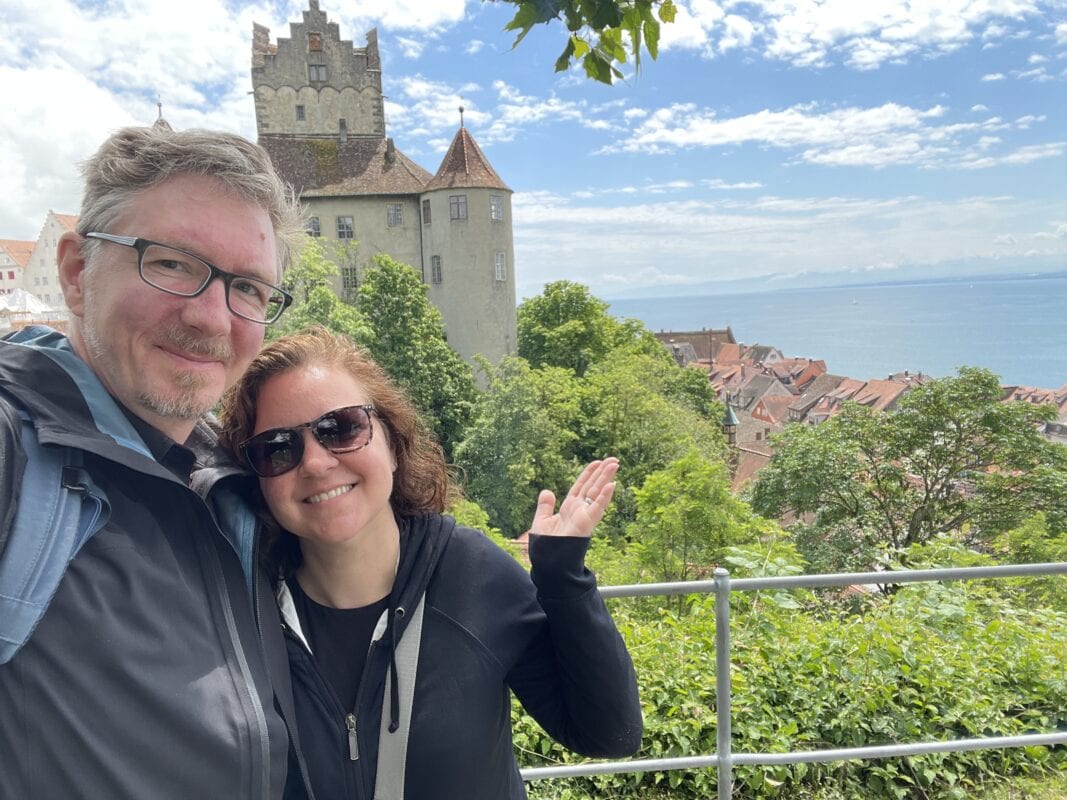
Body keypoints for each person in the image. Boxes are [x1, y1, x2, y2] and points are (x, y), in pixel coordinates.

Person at [0, 124, 313, 798]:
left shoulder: (227, 479)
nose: (211, 318)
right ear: (78, 271)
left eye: (249, 289)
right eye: (171, 262)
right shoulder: (19, 455)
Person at [218, 326, 644, 800]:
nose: (315, 463)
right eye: (278, 448)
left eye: (340, 429)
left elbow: (607, 732)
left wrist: (563, 577)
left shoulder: (472, 575)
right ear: (258, 479)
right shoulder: (240, 608)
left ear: (393, 444)